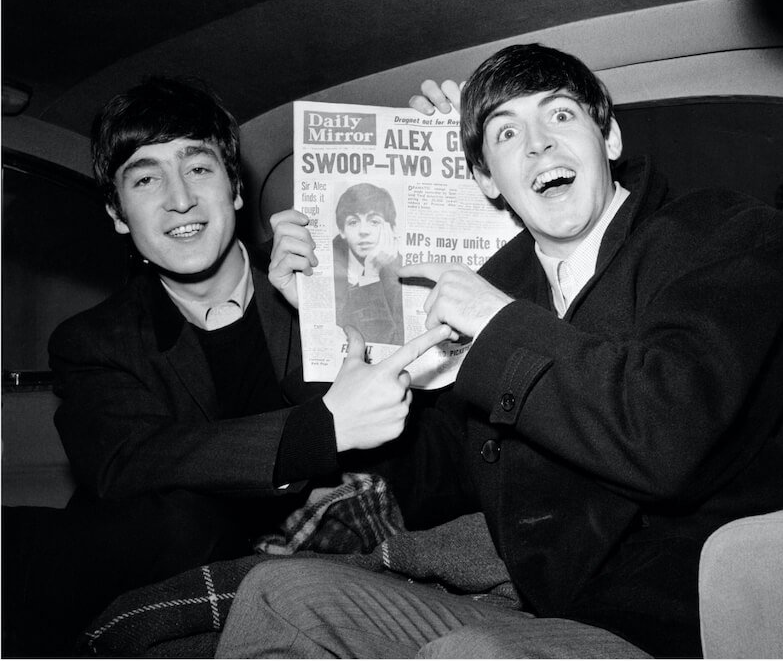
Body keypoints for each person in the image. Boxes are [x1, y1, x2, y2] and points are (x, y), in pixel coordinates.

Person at [217, 43, 783, 658]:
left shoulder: (722, 232)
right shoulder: (506, 285)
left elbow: (666, 436)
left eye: (559, 116)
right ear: (486, 180)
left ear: (608, 139)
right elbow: (436, 480)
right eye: (506, 134)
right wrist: (319, 325)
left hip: (687, 624)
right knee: (278, 593)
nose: (537, 145)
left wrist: (496, 321)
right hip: (551, 616)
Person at [2, 76, 452, 655]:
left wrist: (463, 147)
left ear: (236, 189)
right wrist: (318, 431)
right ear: (117, 213)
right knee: (183, 520)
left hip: (304, 555)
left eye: (198, 168)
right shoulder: (92, 339)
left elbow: (428, 434)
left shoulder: (322, 285)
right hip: (158, 562)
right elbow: (128, 462)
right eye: (144, 178)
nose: (179, 198)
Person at [331, 182, 404, 346]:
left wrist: (370, 276)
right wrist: (370, 276)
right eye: (353, 222)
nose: (363, 231)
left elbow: (391, 342)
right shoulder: (326, 266)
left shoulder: (404, 272)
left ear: (390, 228)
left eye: (374, 221)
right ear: (342, 230)